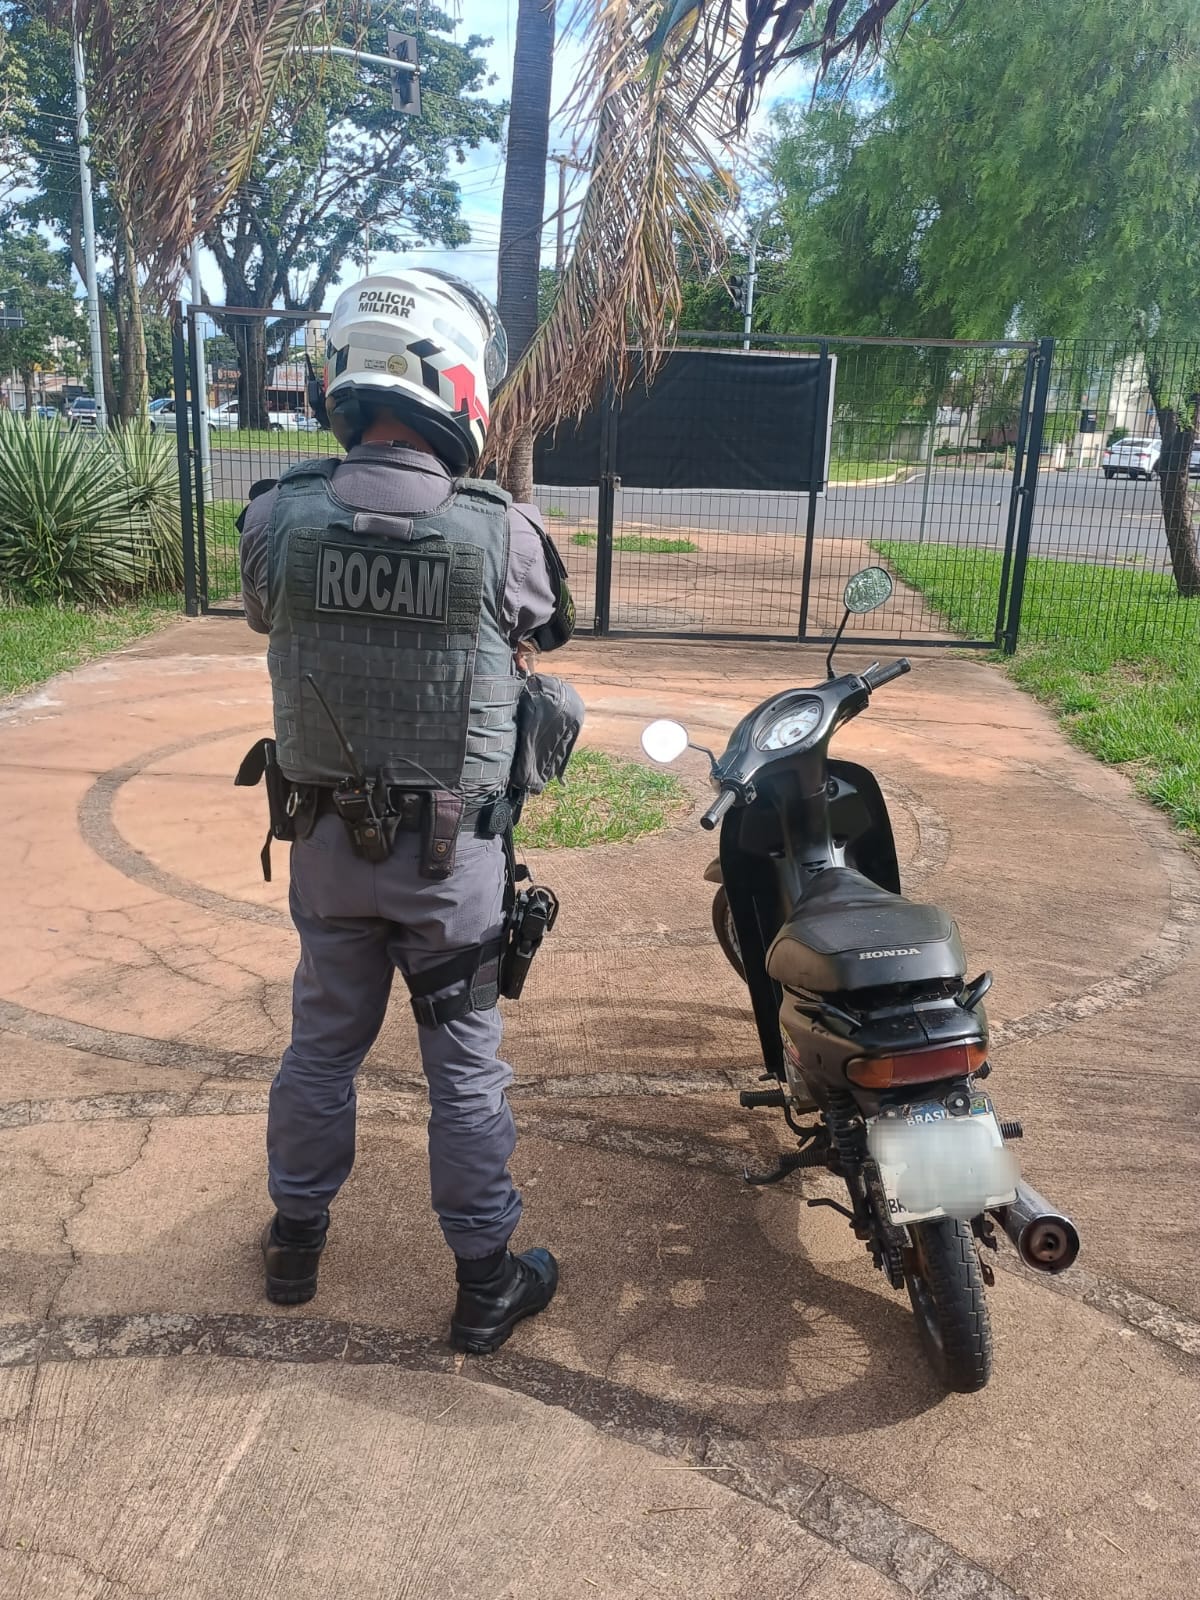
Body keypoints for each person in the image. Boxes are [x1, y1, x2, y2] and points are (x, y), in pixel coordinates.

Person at [237, 270, 575, 1354]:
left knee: (320, 1050)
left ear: (342, 377)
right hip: (449, 867)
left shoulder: (276, 515)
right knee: (463, 1070)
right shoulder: (504, 534)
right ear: (459, 385)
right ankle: (484, 1285)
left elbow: (265, 611)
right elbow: (549, 627)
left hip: (327, 852)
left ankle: (295, 1245)